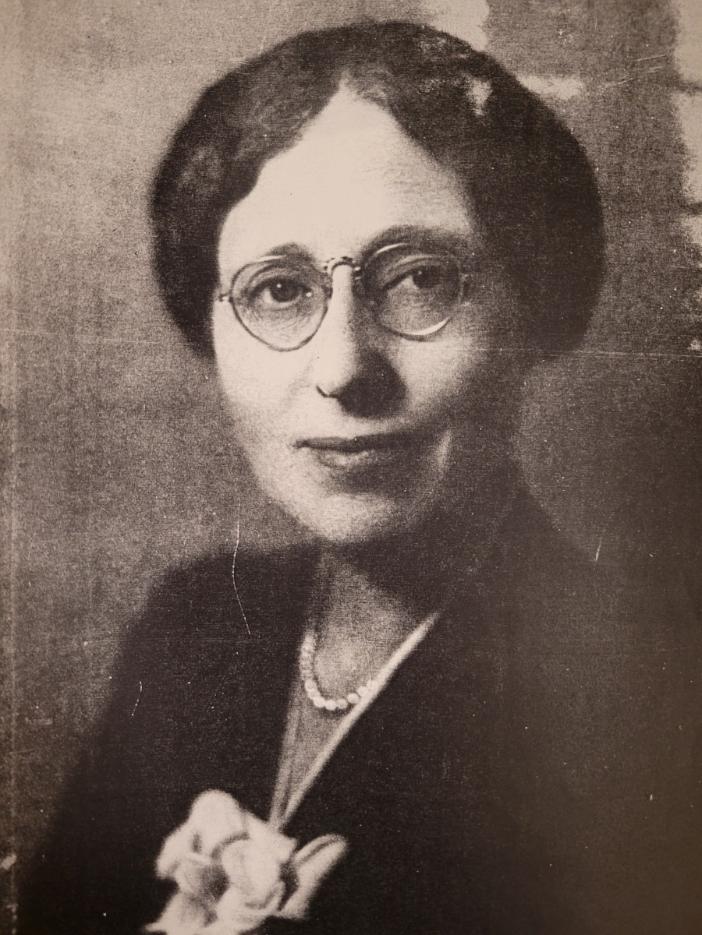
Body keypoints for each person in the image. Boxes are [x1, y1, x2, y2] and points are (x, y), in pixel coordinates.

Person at [20, 20, 701, 935]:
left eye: (418, 278)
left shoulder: (649, 700)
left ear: (535, 308)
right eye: (279, 289)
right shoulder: (191, 633)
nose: (345, 367)